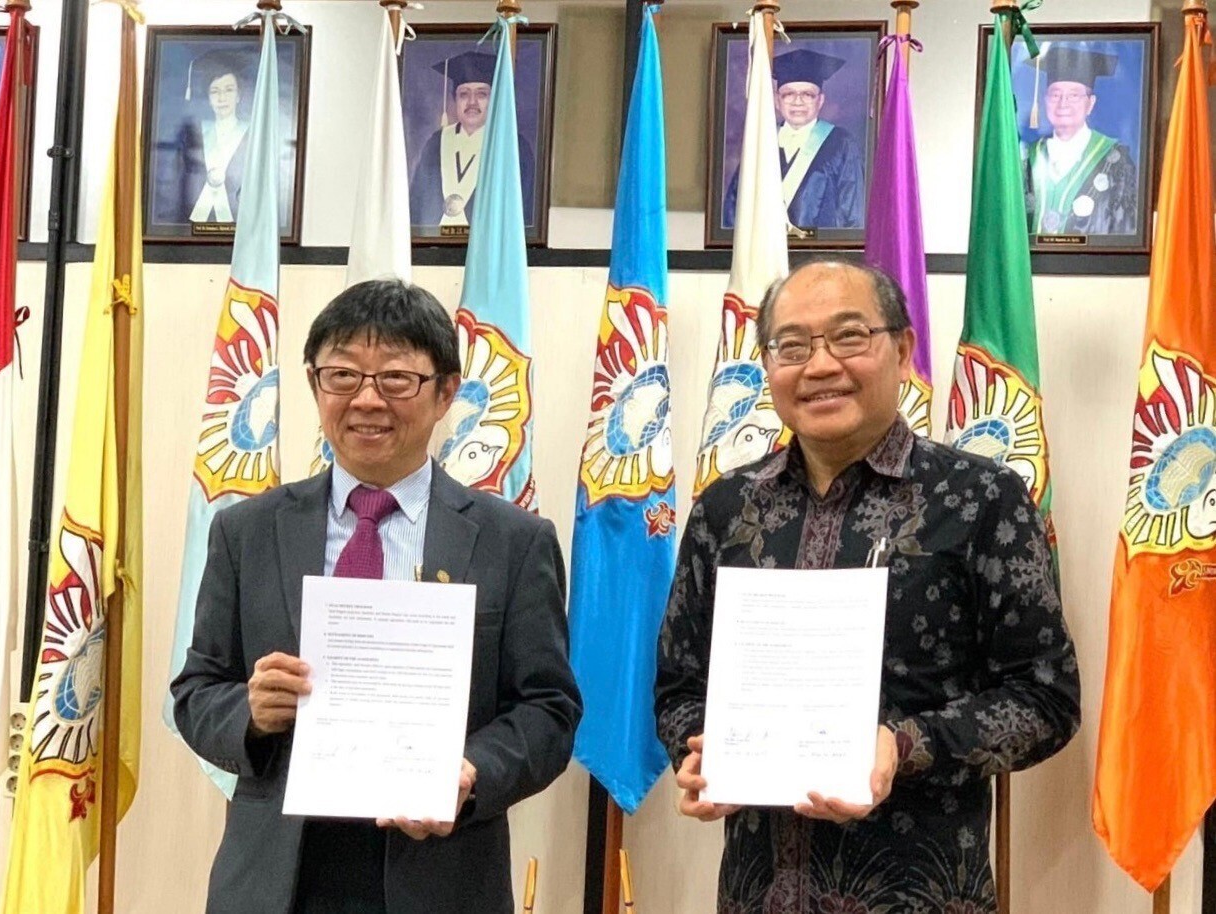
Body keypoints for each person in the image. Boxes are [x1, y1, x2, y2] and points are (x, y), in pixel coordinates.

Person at [655, 261, 1081, 913]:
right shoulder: (725, 507)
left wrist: (903, 744)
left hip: (921, 896)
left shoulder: (979, 499)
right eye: (791, 347)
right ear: (767, 365)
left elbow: (1044, 699)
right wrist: (701, 748)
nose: (819, 366)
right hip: (755, 894)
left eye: (848, 337)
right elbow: (680, 685)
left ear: (903, 350)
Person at [172, 279, 582, 914]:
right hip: (279, 877)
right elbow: (196, 691)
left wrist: (470, 772)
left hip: (442, 875)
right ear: (314, 385)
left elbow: (549, 710)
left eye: (396, 379)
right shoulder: (247, 531)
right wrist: (250, 711)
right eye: (342, 376)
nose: (366, 400)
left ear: (446, 391)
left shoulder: (513, 542)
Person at [724, 48, 865, 231]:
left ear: (820, 101)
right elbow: (734, 210)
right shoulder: (760, 143)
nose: (797, 102)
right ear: (777, 101)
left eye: (807, 94)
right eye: (788, 94)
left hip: (820, 256)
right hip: (764, 256)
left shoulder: (842, 144)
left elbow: (854, 215)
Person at [409, 51, 536, 232]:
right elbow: (417, 202)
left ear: (494, 100)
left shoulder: (513, 147)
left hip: (487, 250)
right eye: (464, 94)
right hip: (434, 247)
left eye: (481, 94)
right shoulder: (436, 143)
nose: (472, 102)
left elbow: (522, 209)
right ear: (455, 100)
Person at [1024, 44, 1138, 236]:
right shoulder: (1026, 159)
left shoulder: (1117, 163)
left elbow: (1124, 229)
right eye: (1056, 94)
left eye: (1074, 95)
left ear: (1090, 103)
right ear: (1045, 101)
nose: (1063, 103)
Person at [172, 51, 252, 225]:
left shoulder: (251, 135)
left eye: (229, 90)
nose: (222, 98)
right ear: (208, 98)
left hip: (238, 219)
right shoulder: (194, 134)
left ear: (239, 95)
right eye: (215, 92)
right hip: (194, 222)